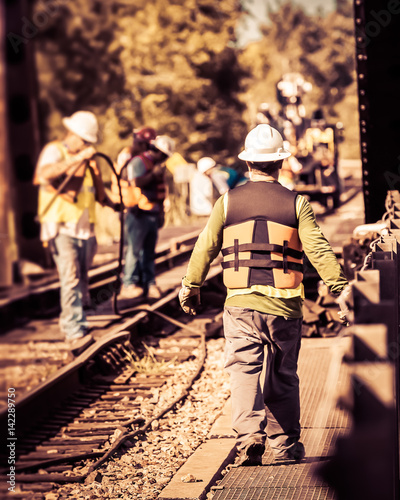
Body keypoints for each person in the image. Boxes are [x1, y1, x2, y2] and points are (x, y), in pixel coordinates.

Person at [179, 124, 348, 466]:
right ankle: (285, 447)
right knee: (283, 373)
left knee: (243, 370)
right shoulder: (297, 203)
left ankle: (249, 438)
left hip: (240, 304)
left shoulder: (227, 202)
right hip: (285, 306)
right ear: (280, 163)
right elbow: (319, 251)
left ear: (248, 163)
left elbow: (205, 247)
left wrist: (191, 286)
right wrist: (341, 291)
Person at [34, 110, 118, 345]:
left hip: (85, 230)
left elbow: (97, 193)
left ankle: (75, 319)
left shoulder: (88, 162)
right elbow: (44, 174)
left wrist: (116, 203)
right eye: (83, 140)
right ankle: (74, 330)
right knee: (70, 278)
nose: (85, 145)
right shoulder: (55, 151)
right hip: (61, 228)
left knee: (81, 280)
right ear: (72, 134)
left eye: (88, 142)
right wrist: (77, 159)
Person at [119, 135, 175, 300]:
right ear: (156, 151)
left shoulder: (155, 165)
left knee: (149, 252)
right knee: (134, 251)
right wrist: (153, 174)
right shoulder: (138, 162)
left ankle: (148, 283)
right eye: (163, 155)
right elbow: (136, 183)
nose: (164, 159)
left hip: (151, 212)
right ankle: (129, 284)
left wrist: (160, 213)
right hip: (138, 213)